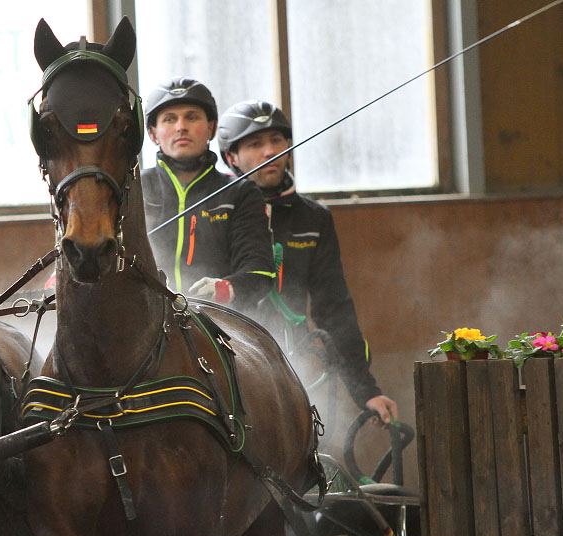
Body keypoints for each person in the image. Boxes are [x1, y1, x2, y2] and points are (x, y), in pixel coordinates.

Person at [217, 100, 398, 424]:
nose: (269, 151)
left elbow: (334, 307)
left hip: (294, 367)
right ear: (231, 156)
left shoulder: (314, 218)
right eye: (255, 144)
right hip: (226, 364)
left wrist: (365, 389)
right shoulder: (217, 213)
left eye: (277, 141)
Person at [141, 77, 275, 311]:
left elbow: (260, 270)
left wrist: (227, 288)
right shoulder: (133, 189)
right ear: (153, 134)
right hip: (144, 318)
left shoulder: (241, 192)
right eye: (169, 119)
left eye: (192, 117)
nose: (181, 126)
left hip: (221, 322)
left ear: (211, 128)